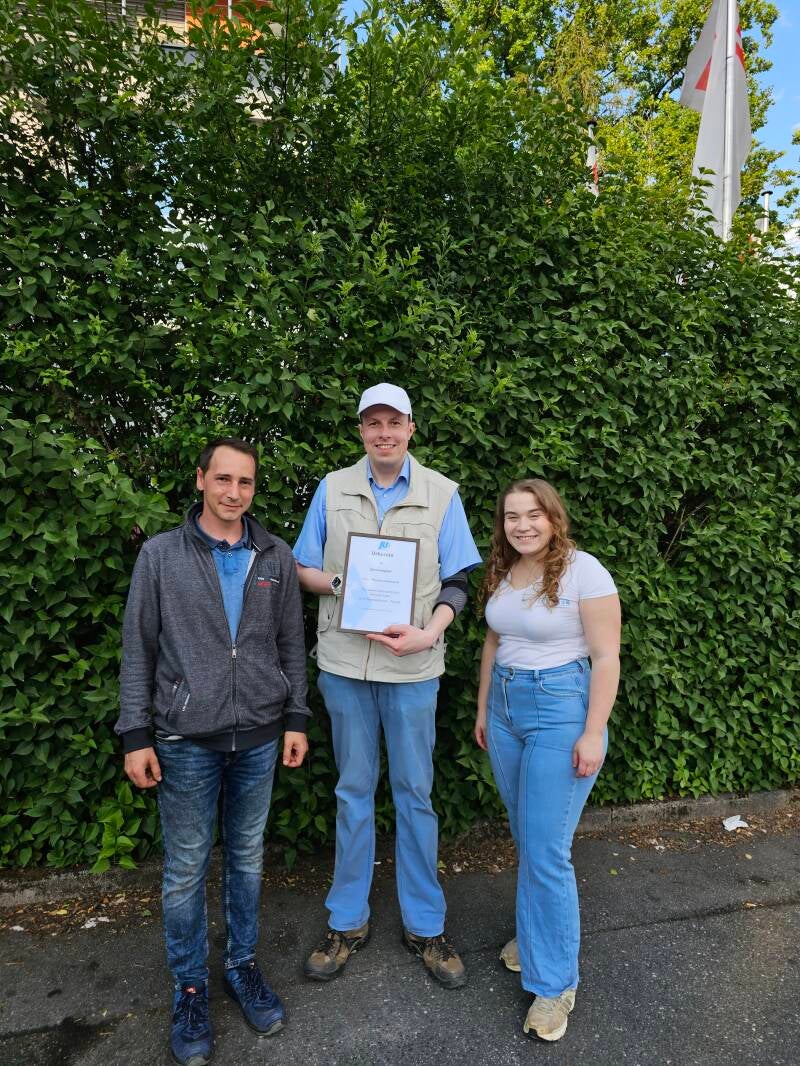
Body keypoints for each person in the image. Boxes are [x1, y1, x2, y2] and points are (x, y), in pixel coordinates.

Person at [116, 438, 310, 1066]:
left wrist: (295, 718)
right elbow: (138, 649)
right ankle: (191, 988)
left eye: (245, 482)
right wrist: (135, 735)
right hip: (185, 741)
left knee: (247, 858)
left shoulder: (275, 555)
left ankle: (242, 966)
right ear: (201, 480)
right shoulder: (160, 555)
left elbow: (290, 644)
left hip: (259, 736)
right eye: (223, 479)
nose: (233, 492)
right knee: (185, 869)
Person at [293, 383, 482, 988]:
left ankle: (425, 925)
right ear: (360, 431)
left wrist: (430, 633)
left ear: (410, 428)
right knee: (352, 791)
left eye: (394, 422)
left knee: (415, 794)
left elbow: (459, 581)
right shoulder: (331, 489)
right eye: (373, 423)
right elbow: (302, 567)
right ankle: (347, 921)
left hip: (413, 669)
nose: (384, 433)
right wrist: (343, 585)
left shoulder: (442, 493)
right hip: (345, 665)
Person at [474, 478, 620, 1042]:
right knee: (526, 835)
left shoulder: (585, 572)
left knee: (546, 849)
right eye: (512, 516)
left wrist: (593, 731)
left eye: (533, 514)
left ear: (554, 518)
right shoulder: (505, 570)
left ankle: (556, 984)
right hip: (506, 709)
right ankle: (538, 937)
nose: (522, 525)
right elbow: (494, 641)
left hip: (561, 709)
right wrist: (484, 707)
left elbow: (606, 656)